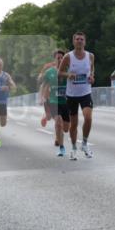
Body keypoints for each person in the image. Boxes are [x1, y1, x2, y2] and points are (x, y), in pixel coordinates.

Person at [58, 32, 95, 160]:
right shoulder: (68, 57)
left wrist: (92, 77)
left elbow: (92, 69)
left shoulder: (90, 56)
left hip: (85, 93)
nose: (79, 41)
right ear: (73, 42)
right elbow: (60, 72)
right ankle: (74, 148)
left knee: (88, 117)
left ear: (85, 42)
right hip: (72, 95)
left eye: (82, 39)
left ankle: (84, 143)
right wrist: (68, 75)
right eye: (77, 39)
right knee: (73, 124)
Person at [39, 49, 70, 156]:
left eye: (62, 58)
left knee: (66, 128)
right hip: (54, 101)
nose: (60, 59)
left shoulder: (69, 70)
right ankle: (62, 148)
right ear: (55, 59)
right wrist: (42, 97)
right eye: (58, 58)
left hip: (66, 102)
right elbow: (42, 84)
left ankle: (59, 136)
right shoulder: (49, 72)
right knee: (58, 123)